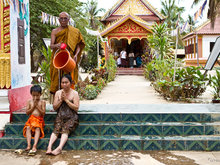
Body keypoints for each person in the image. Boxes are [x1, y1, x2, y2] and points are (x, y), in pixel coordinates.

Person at [50, 12, 85, 94]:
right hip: (58, 58)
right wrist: (56, 45)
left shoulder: (75, 31)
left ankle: (70, 99)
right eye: (61, 18)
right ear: (58, 20)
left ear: (68, 20)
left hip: (70, 59)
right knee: (57, 78)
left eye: (65, 18)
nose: (63, 20)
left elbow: (79, 45)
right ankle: (58, 99)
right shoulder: (55, 31)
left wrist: (76, 55)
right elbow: (51, 46)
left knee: (70, 78)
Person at [46, 74, 79, 156]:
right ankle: (49, 147)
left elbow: (76, 108)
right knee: (56, 129)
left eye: (66, 82)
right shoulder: (58, 93)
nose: (64, 84)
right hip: (60, 115)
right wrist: (61, 100)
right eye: (62, 83)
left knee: (65, 129)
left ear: (70, 83)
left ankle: (59, 148)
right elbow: (54, 107)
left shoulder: (75, 93)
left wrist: (66, 100)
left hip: (72, 117)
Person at [23, 85, 46, 156]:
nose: (35, 97)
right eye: (33, 95)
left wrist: (37, 106)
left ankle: (35, 145)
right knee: (28, 128)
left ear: (40, 94)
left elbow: (43, 113)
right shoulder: (29, 101)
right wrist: (33, 107)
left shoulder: (43, 102)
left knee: (38, 129)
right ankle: (29, 145)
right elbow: (27, 112)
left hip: (39, 120)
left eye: (37, 95)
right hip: (31, 120)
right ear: (31, 94)